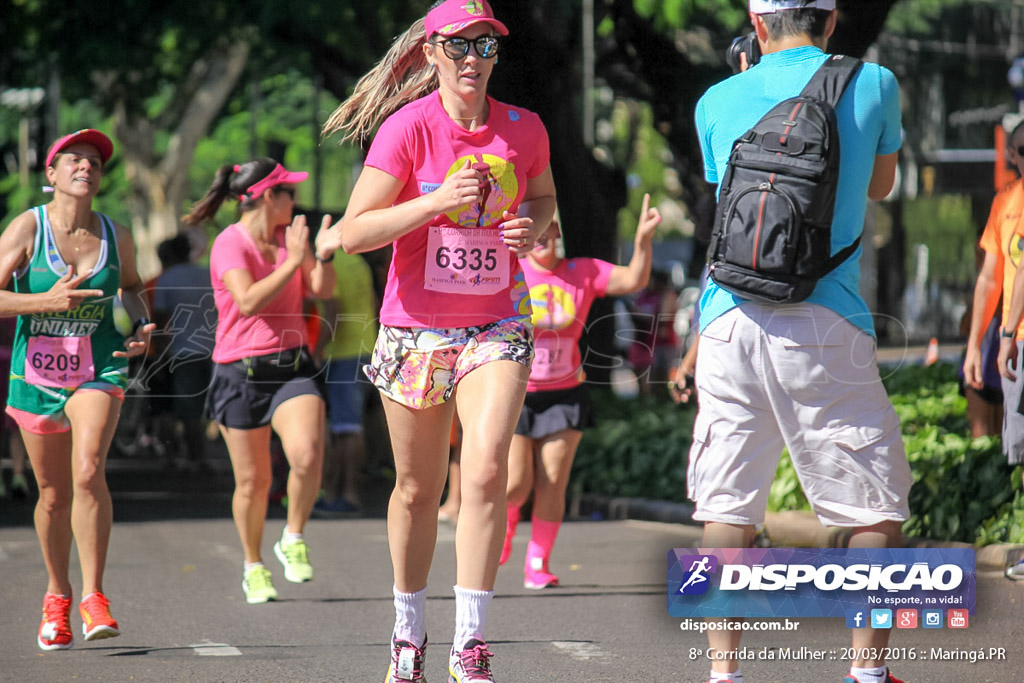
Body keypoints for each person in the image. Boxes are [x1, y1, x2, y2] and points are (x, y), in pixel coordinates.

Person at [322, 1, 556, 680]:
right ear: (430, 53)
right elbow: (351, 232)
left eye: (486, 45)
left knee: (485, 470)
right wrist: (432, 202)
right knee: (419, 490)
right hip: (415, 329)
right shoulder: (407, 130)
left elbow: (542, 203)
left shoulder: (525, 129)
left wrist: (530, 229)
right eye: (458, 45)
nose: (473, 59)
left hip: (497, 321)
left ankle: (471, 640)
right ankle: (408, 633)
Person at [691, 3, 908, 683]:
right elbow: (881, 184)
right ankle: (866, 674)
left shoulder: (716, 98)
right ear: (832, 19)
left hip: (727, 318)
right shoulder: (873, 85)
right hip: (825, 316)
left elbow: (728, 201)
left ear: (758, 27)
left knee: (728, 506)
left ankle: (724, 674)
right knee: (874, 505)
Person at [0, 128, 156, 650]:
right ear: (52, 174)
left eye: (94, 161)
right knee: (52, 494)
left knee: (88, 470)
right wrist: (44, 303)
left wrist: (140, 327)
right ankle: (57, 594)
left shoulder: (117, 234)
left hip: (99, 368)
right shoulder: (27, 228)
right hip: (36, 374)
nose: (85, 167)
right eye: (73, 160)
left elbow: (132, 288)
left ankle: (94, 596)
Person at [181, 157, 343, 604]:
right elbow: (249, 301)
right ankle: (253, 564)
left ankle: (293, 535)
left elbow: (323, 289)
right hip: (240, 372)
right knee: (253, 482)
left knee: (308, 455)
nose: (296, 199)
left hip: (292, 366)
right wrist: (293, 262)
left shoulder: (289, 237)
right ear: (269, 196)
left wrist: (322, 254)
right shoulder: (229, 245)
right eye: (289, 191)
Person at [501, 196, 660, 588]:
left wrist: (642, 241)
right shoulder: (510, 270)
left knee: (553, 479)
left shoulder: (581, 272)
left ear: (558, 234)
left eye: (549, 233)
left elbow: (634, 279)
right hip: (516, 391)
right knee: (516, 483)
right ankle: (502, 533)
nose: (543, 241)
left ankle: (537, 562)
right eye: (535, 236)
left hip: (565, 392)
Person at [966, 120, 1024, 457]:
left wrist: (1005, 336)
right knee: (1019, 447)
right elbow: (989, 279)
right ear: (1013, 155)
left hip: (1012, 339)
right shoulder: (1004, 202)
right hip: (1016, 343)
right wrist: (975, 346)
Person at [314, 247, 378, 516]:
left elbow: (332, 310)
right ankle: (345, 491)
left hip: (344, 355)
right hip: (367, 349)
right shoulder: (358, 261)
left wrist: (316, 349)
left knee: (345, 428)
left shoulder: (330, 262)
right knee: (353, 425)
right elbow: (375, 302)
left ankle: (345, 494)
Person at [151, 233, 218, 471]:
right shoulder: (205, 274)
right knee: (207, 407)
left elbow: (159, 320)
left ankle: (195, 458)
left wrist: (160, 354)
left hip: (183, 352)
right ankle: (199, 456)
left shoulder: (167, 279)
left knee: (188, 409)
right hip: (214, 349)